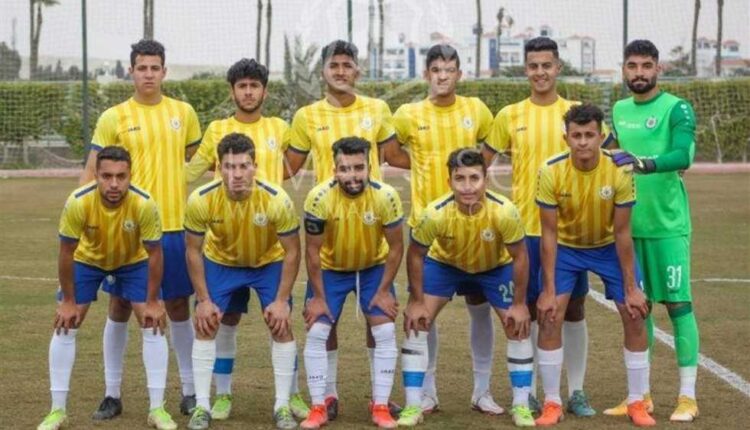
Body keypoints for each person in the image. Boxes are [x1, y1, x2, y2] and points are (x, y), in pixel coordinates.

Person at [483, 36, 613, 416]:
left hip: (571, 233)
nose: (540, 72)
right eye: (533, 66)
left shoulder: (576, 113)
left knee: (572, 310)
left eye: (546, 65)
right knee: (531, 310)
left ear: (558, 67)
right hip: (525, 230)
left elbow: (609, 156)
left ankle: (577, 391)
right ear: (526, 70)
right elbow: (480, 164)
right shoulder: (509, 115)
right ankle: (533, 391)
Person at [286, 39, 409, 419]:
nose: (340, 71)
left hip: (371, 232)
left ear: (357, 69)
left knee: (378, 321)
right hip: (330, 234)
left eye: (347, 64)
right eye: (333, 65)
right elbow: (288, 167)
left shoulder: (378, 109)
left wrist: (438, 155)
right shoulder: (306, 116)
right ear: (323, 71)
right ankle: (328, 394)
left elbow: (397, 155)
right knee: (326, 321)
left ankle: (379, 397)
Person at [81, 39, 202, 418]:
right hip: (126, 231)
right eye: (142, 68)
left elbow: (197, 163)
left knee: (179, 305)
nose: (148, 74)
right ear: (130, 71)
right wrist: (87, 221)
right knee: (119, 306)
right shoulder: (113, 117)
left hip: (174, 227)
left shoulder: (184, 113)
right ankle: (112, 393)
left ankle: (190, 390)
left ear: (165, 71)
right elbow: (92, 172)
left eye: (154, 68)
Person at [185, 58, 308, 421]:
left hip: (268, 243)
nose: (249, 92)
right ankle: (219, 396)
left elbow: (294, 166)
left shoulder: (280, 128)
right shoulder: (217, 130)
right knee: (221, 321)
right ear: (233, 91)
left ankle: (290, 397)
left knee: (281, 321)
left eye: (255, 86)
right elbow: (193, 170)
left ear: (264, 91)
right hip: (224, 248)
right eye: (242, 86)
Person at [392, 44, 501, 415]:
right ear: (426, 74)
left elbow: (487, 152)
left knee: (479, 308)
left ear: (459, 74)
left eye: (449, 70)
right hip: (429, 231)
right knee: (424, 313)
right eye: (436, 70)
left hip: (475, 226)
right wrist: (423, 165)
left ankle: (482, 391)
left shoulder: (476, 110)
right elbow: (390, 152)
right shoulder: (408, 114)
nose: (442, 76)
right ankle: (428, 391)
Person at [533, 104, 654, 427]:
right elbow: (548, 233)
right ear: (566, 138)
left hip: (607, 247)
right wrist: (547, 290)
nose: (583, 142)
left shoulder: (620, 170)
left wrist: (631, 288)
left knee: (634, 313)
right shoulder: (550, 170)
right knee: (550, 316)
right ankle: (552, 402)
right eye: (577, 135)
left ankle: (637, 401)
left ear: (601, 137)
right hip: (566, 249)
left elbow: (623, 232)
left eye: (589, 135)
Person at [38, 146, 176, 430]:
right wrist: (68, 301)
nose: (114, 184)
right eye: (107, 176)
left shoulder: (144, 203)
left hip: (133, 261)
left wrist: (153, 300)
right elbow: (66, 252)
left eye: (121, 176)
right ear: (96, 176)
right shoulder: (78, 202)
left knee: (152, 322)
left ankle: (157, 409)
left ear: (130, 176)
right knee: (67, 322)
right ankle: (57, 411)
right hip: (88, 260)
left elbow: (155, 253)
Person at [399, 148, 535, 428]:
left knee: (517, 326)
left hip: (494, 267)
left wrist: (520, 304)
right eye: (459, 179)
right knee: (418, 322)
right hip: (445, 264)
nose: (467, 186)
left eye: (474, 178)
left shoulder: (504, 211)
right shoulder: (434, 213)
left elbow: (521, 256)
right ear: (449, 181)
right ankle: (418, 400)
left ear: (486, 179)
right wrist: (415, 300)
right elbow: (415, 254)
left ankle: (515, 403)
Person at [605, 39, 699, 423]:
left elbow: (683, 155)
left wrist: (643, 163)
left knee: (678, 306)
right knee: (636, 310)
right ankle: (640, 397)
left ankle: (688, 397)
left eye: (646, 66)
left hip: (667, 227)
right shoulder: (618, 110)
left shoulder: (677, 107)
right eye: (632, 66)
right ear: (624, 70)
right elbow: (611, 154)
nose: (639, 73)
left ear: (658, 68)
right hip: (628, 229)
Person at [300, 137, 404, 430]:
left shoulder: (386, 196)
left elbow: (396, 248)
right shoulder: (318, 198)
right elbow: (312, 251)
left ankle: (380, 404)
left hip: (373, 269)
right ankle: (322, 403)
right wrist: (318, 297)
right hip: (330, 270)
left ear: (369, 167)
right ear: (334, 170)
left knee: (384, 329)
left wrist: (383, 291)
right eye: (345, 169)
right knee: (318, 330)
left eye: (359, 168)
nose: (353, 175)